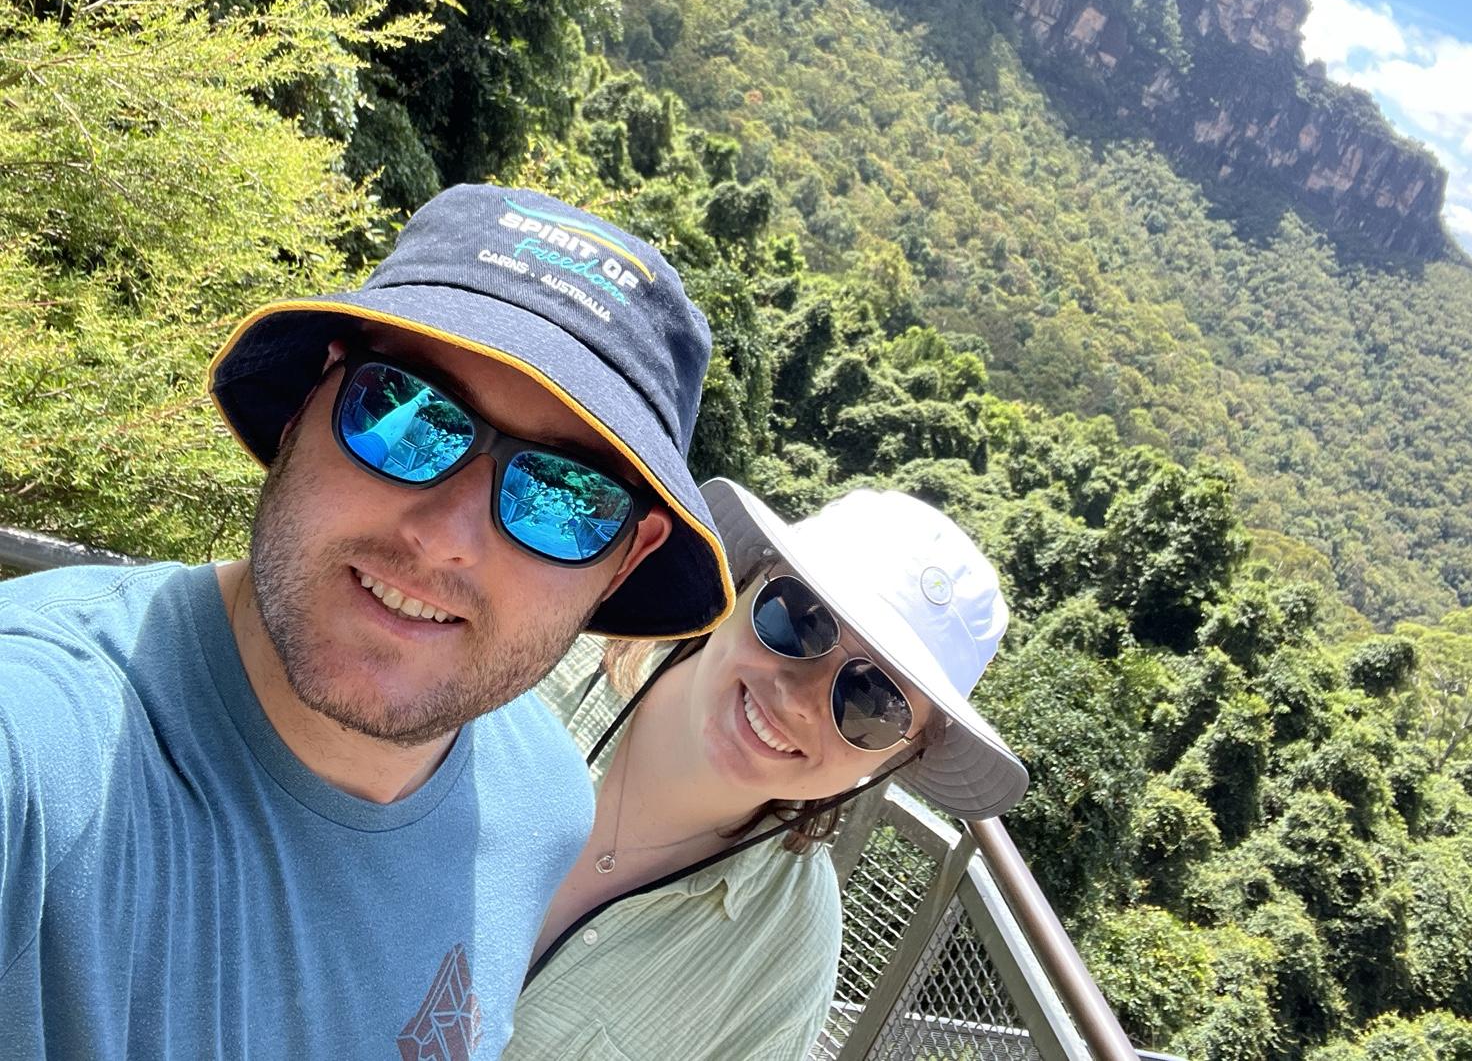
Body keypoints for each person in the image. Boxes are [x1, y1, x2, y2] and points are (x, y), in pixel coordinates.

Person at [0, 184, 735, 1060]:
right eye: (404, 412)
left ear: (626, 561)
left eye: (562, 497)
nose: (445, 536)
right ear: (309, 402)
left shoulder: (543, 800)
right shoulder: (43, 747)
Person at [506, 476, 1029, 1060]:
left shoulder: (786, 957)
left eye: (873, 700)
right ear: (746, 581)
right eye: (800, 621)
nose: (800, 700)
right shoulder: (527, 667)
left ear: (899, 756)